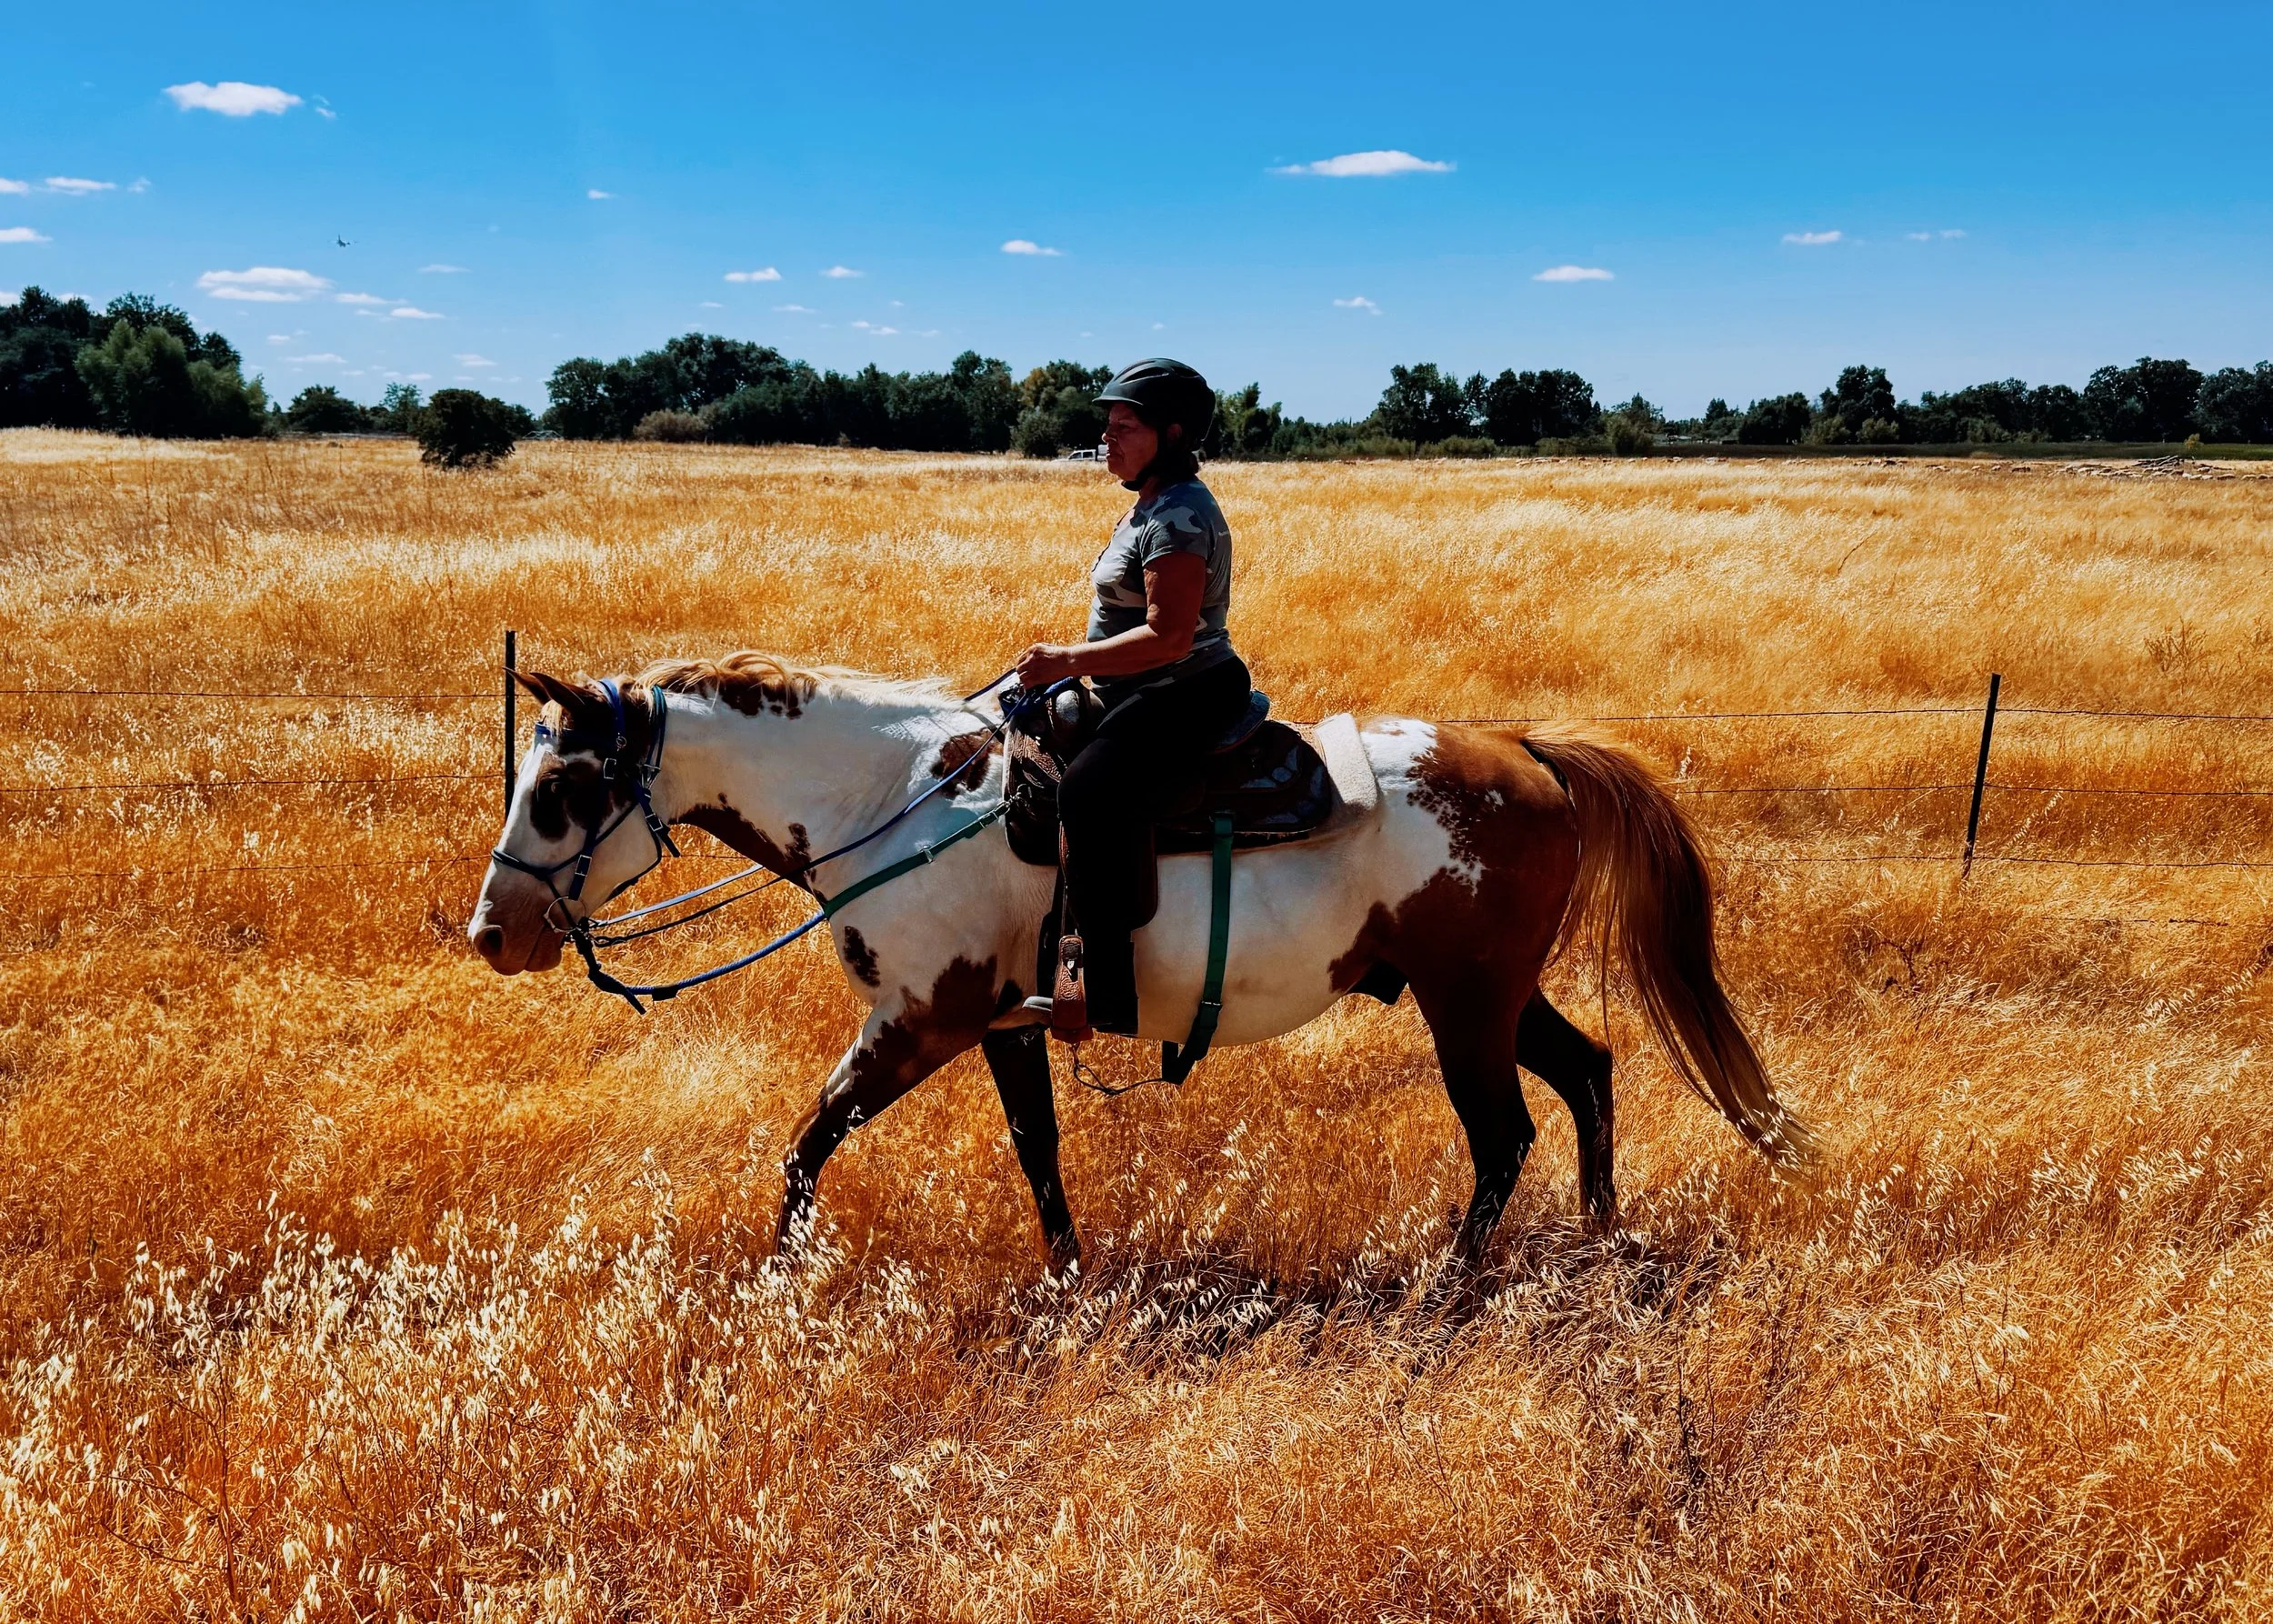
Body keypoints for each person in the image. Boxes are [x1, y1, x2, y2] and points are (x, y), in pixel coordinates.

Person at [1013, 358, 1250, 1035]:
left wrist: (1069, 659)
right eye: (1108, 425)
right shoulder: (1145, 502)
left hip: (1186, 689)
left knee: (1085, 792)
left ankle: (1103, 991)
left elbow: (1171, 636)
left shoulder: (1180, 513)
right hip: (1142, 686)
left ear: (1171, 435)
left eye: (1125, 426)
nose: (1108, 438)